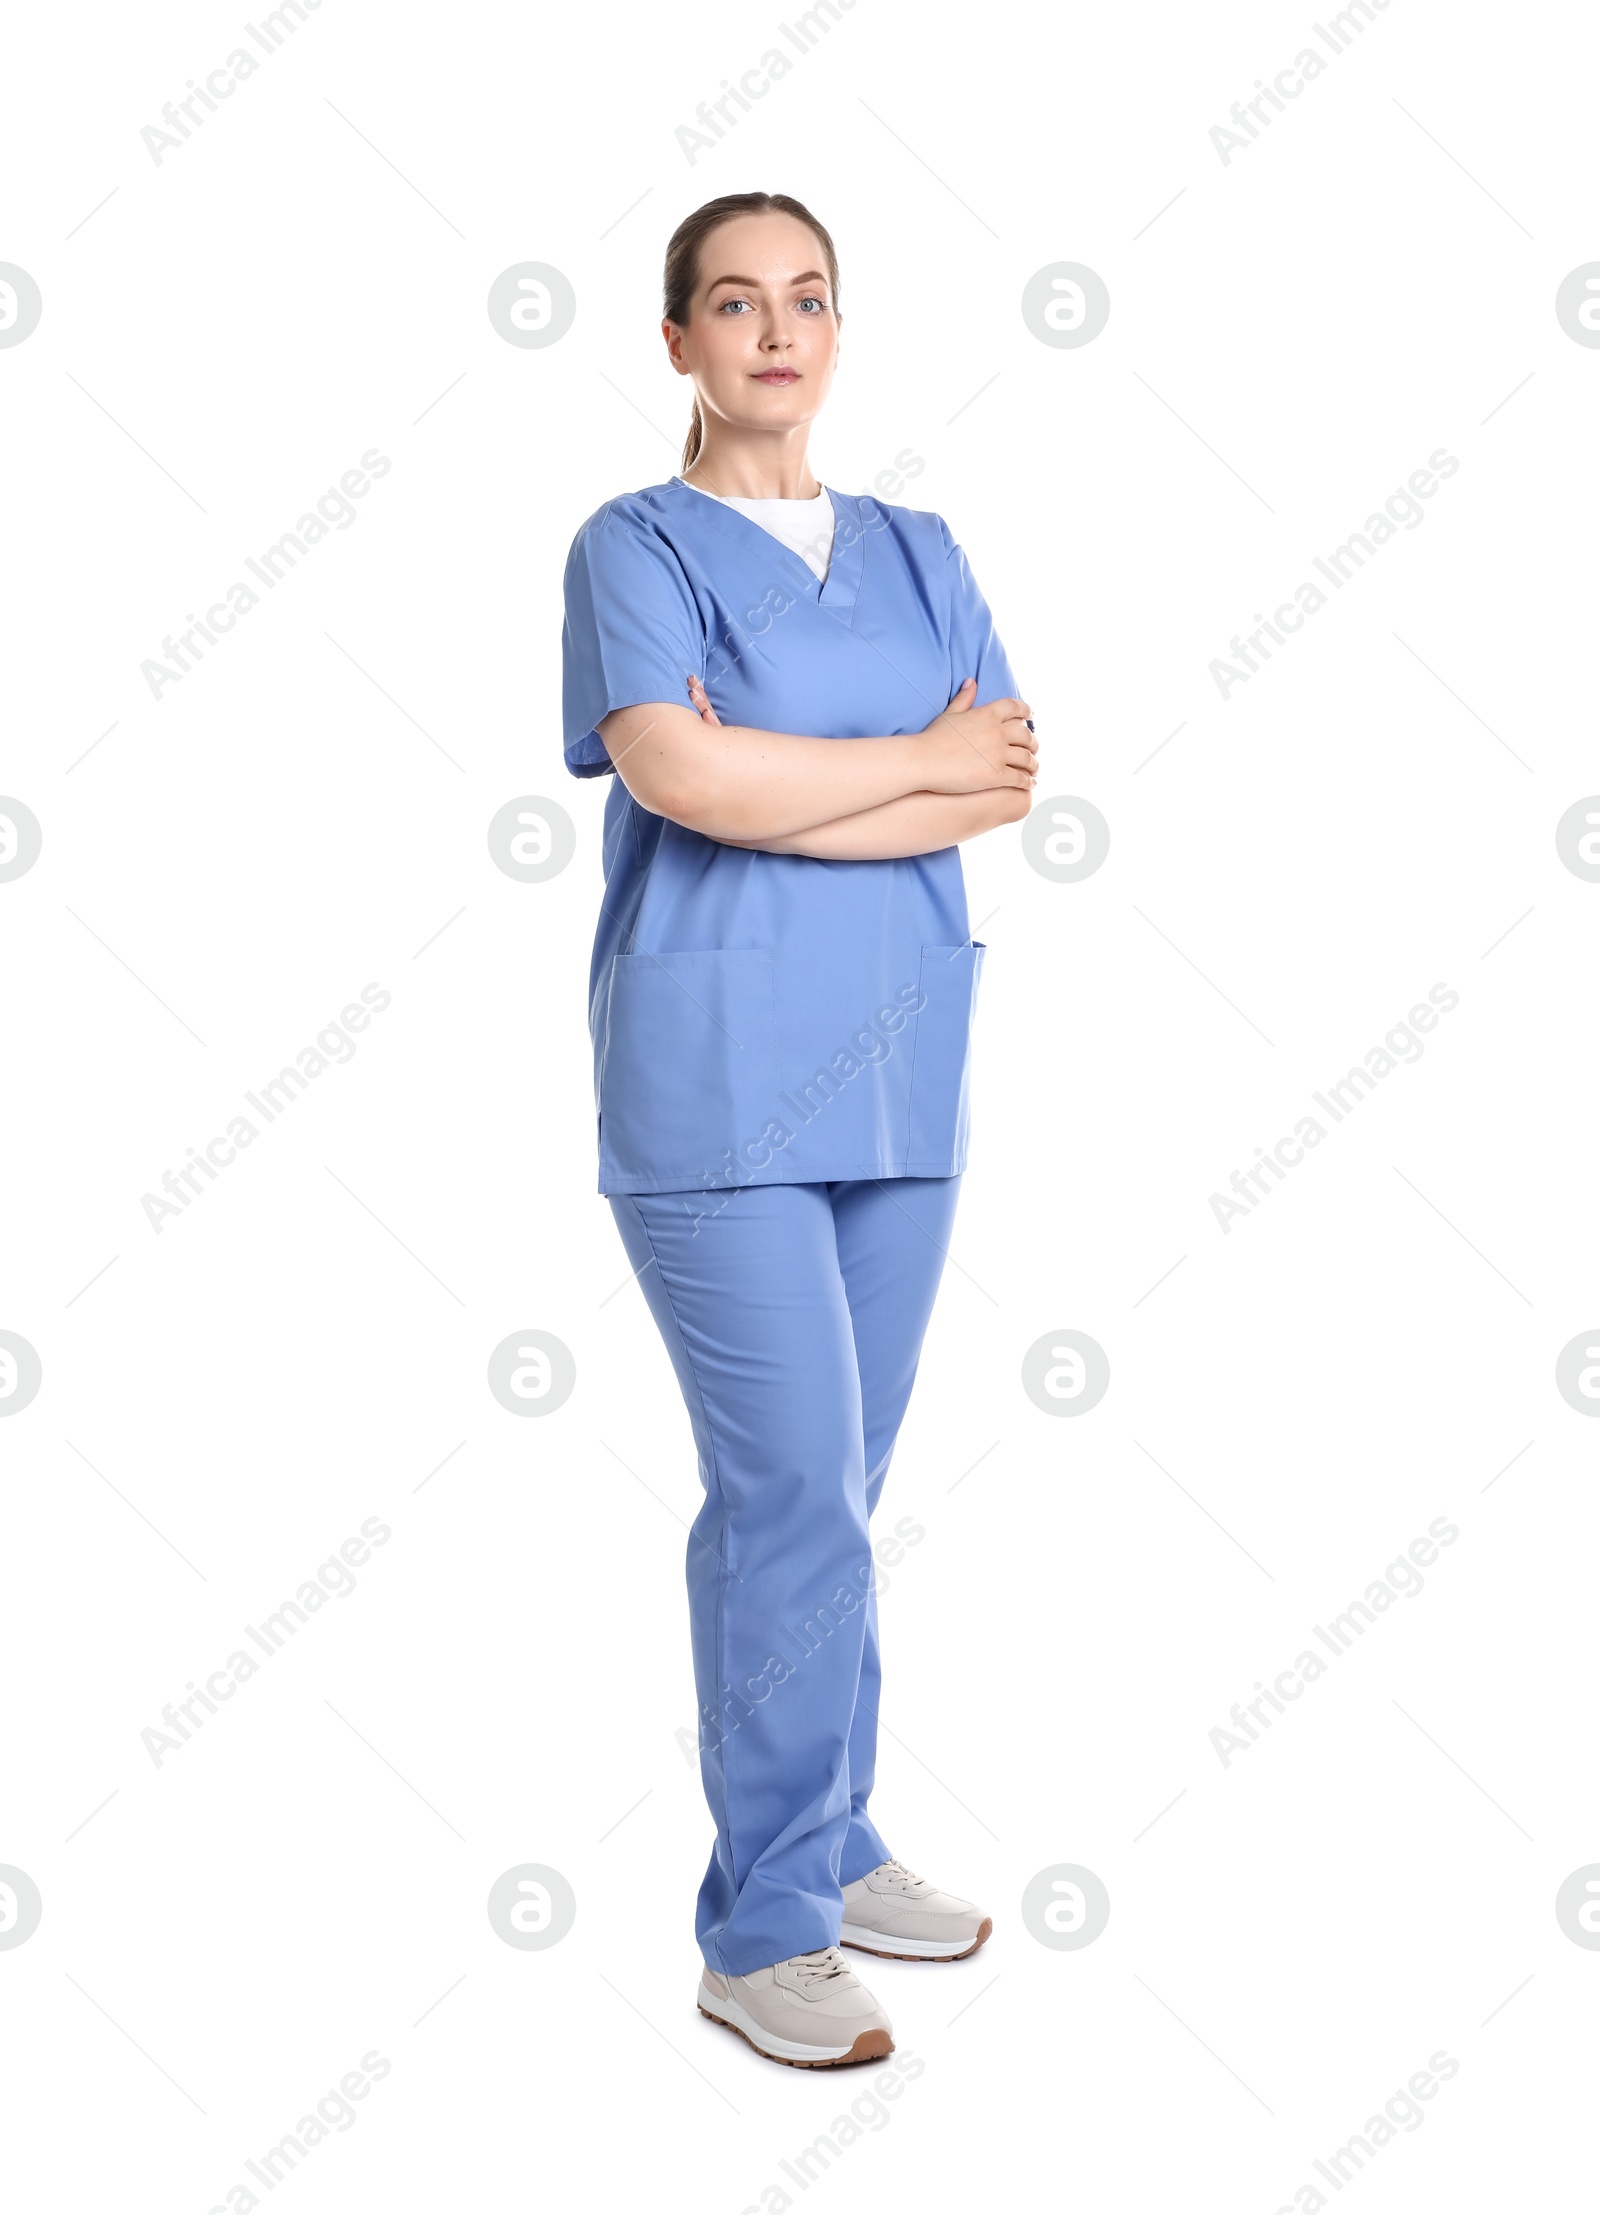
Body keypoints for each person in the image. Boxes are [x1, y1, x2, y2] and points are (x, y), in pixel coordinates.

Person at [560, 190, 1035, 2069]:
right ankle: (758, 1931)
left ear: (842, 331)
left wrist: (816, 787)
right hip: (717, 1080)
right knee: (793, 1495)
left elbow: (996, 774)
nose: (778, 329)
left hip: (902, 1068)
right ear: (675, 338)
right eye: (736, 302)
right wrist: (894, 767)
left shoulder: (922, 546)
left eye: (810, 298)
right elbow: (677, 772)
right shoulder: (634, 544)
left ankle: (826, 1842)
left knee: (826, 1500)